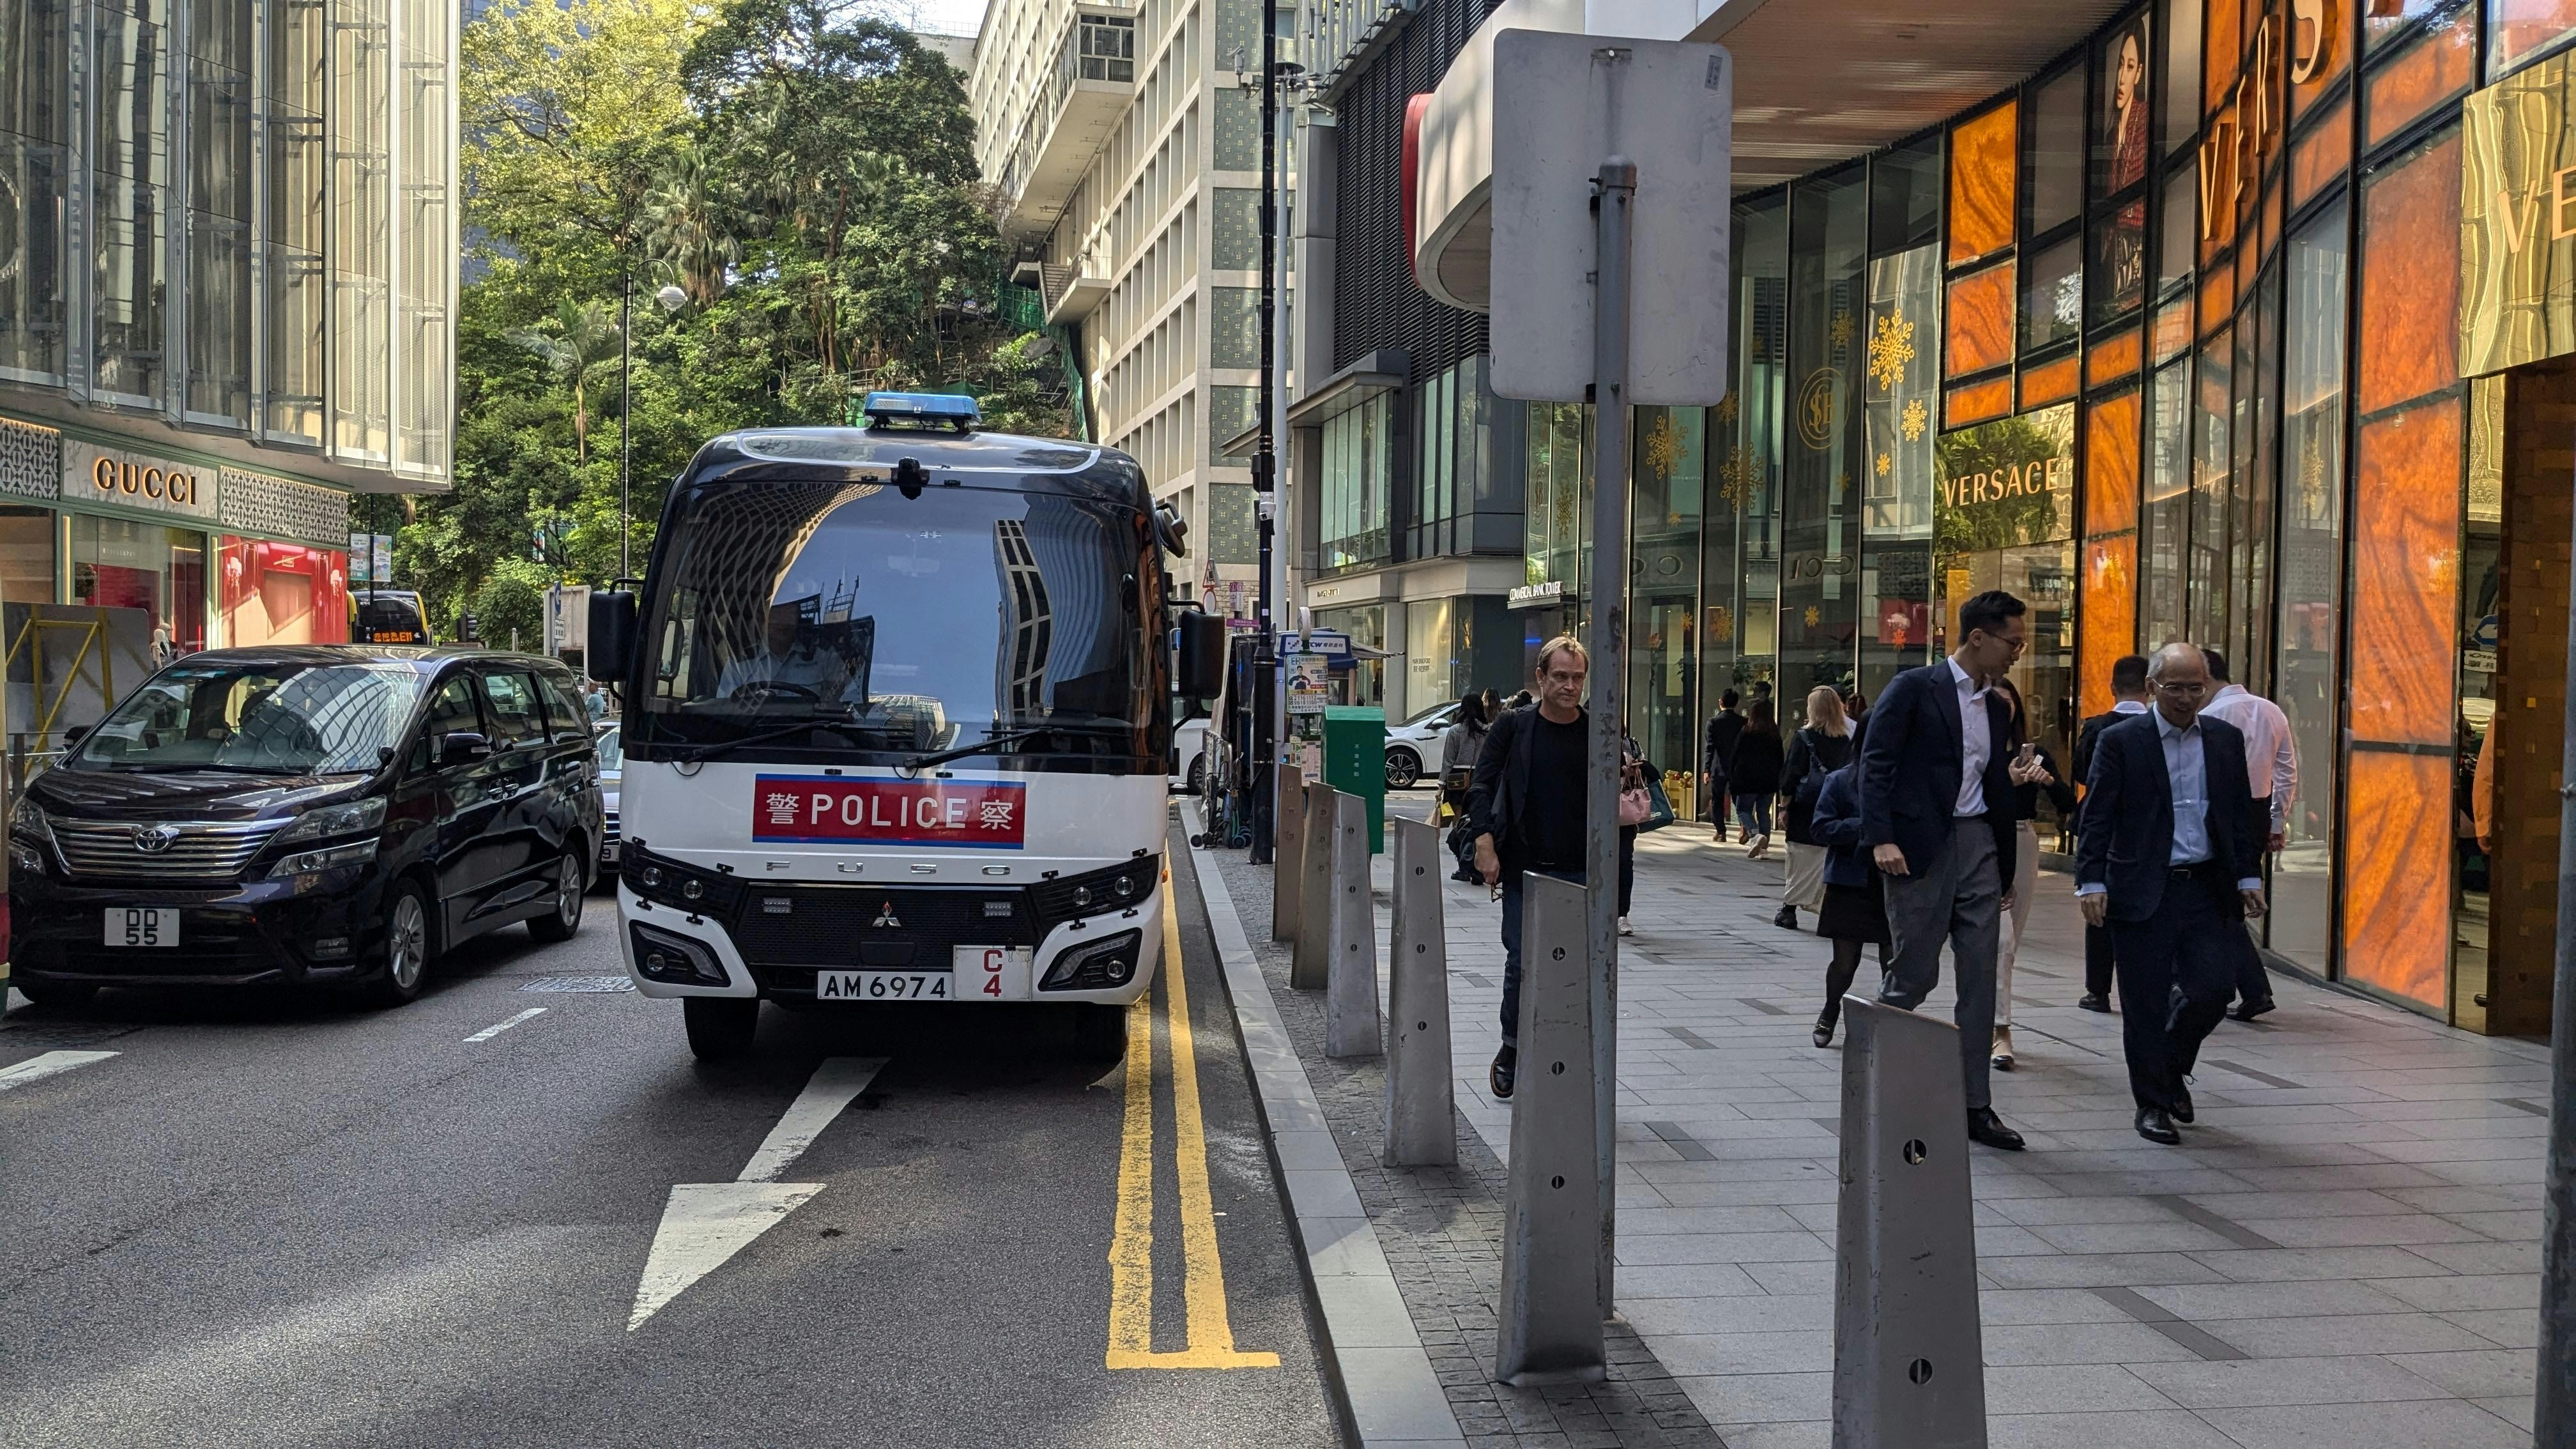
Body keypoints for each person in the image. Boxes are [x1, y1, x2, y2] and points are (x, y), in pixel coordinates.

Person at [1857, 589, 2028, 1153]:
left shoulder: (1999, 704)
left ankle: (1975, 1105)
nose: (2017, 654)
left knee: (1982, 975)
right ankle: (1873, 1080)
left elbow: (1993, 782)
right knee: (1914, 973)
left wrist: (2004, 864)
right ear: (1978, 637)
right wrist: (1881, 836)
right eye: (2012, 642)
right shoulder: (1915, 689)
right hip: (1919, 847)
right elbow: (1875, 763)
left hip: (1979, 842)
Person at [2075, 643, 2266, 1146]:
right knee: (2143, 1003)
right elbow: (2096, 817)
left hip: (2206, 886)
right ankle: (2153, 1104)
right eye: (2176, 687)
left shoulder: (2224, 740)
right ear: (2153, 688)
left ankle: (2171, 1066)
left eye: (2196, 687)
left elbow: (2238, 814)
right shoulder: (2122, 741)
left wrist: (2248, 875)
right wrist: (2090, 880)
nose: (2186, 698)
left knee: (2213, 989)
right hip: (2141, 888)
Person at [1468, 636, 1593, 1101]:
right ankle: (1513, 1049)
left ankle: (1572, 1053)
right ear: (1541, 678)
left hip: (1582, 871)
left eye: (1577, 677)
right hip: (1525, 869)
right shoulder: (1515, 727)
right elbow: (1480, 784)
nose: (1569, 686)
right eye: (1560, 676)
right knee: (1522, 963)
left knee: (1582, 967)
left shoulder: (1597, 730)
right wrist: (1484, 844)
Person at [2196, 645, 2296, 1023]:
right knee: (2231, 900)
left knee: (2221, 904)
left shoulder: (2209, 715)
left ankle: (2247, 988)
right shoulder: (2271, 710)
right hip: (2257, 810)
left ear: (2205, 677)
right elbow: (2287, 771)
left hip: (2219, 813)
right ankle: (2248, 989)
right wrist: (2275, 821)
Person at [1987, 677, 2077, 1072]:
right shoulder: (1974, 750)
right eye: (1993, 703)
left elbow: (2068, 803)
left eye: (2008, 704)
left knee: (2008, 942)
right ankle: (1996, 1028)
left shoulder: (2033, 753)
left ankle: (1993, 1024)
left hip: (2021, 839)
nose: (2001, 711)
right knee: (1996, 938)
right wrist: (2006, 782)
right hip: (1980, 839)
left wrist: (2047, 781)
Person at [2071, 654, 2152, 1013]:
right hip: (2147, 829)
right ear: (2150, 687)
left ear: (2113, 688)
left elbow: (2081, 773)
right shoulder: (2160, 730)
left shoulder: (2097, 727)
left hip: (2103, 828)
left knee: (2099, 907)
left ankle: (2098, 990)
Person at [1807, 714, 1886, 1048]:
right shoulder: (1840, 780)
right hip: (1850, 882)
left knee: (1895, 960)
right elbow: (1821, 827)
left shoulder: (1903, 782)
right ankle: (1829, 1010)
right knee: (1845, 960)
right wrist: (1865, 827)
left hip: (1892, 882)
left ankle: (1890, 1022)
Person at [1775, 686, 1853, 930]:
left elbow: (1792, 773)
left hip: (1805, 807)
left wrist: (1784, 806)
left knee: (1799, 856)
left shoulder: (1804, 737)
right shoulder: (1847, 740)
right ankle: (1825, 908)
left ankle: (1789, 908)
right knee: (1824, 857)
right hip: (1833, 806)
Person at [1439, 694, 1491, 882]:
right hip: (1481, 781)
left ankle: (1464, 867)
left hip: (1456, 783)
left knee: (1460, 825)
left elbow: (1448, 761)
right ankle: (1477, 868)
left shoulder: (1455, 731)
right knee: (1478, 824)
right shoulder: (1488, 730)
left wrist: (1440, 786)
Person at [1701, 690, 1745, 840]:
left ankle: (1721, 832)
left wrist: (1706, 769)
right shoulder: (1743, 722)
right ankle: (1743, 825)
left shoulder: (1713, 722)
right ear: (1736, 703)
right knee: (1738, 798)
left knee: (1717, 799)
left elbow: (1710, 747)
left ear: (1721, 702)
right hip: (1738, 767)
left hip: (1718, 766)